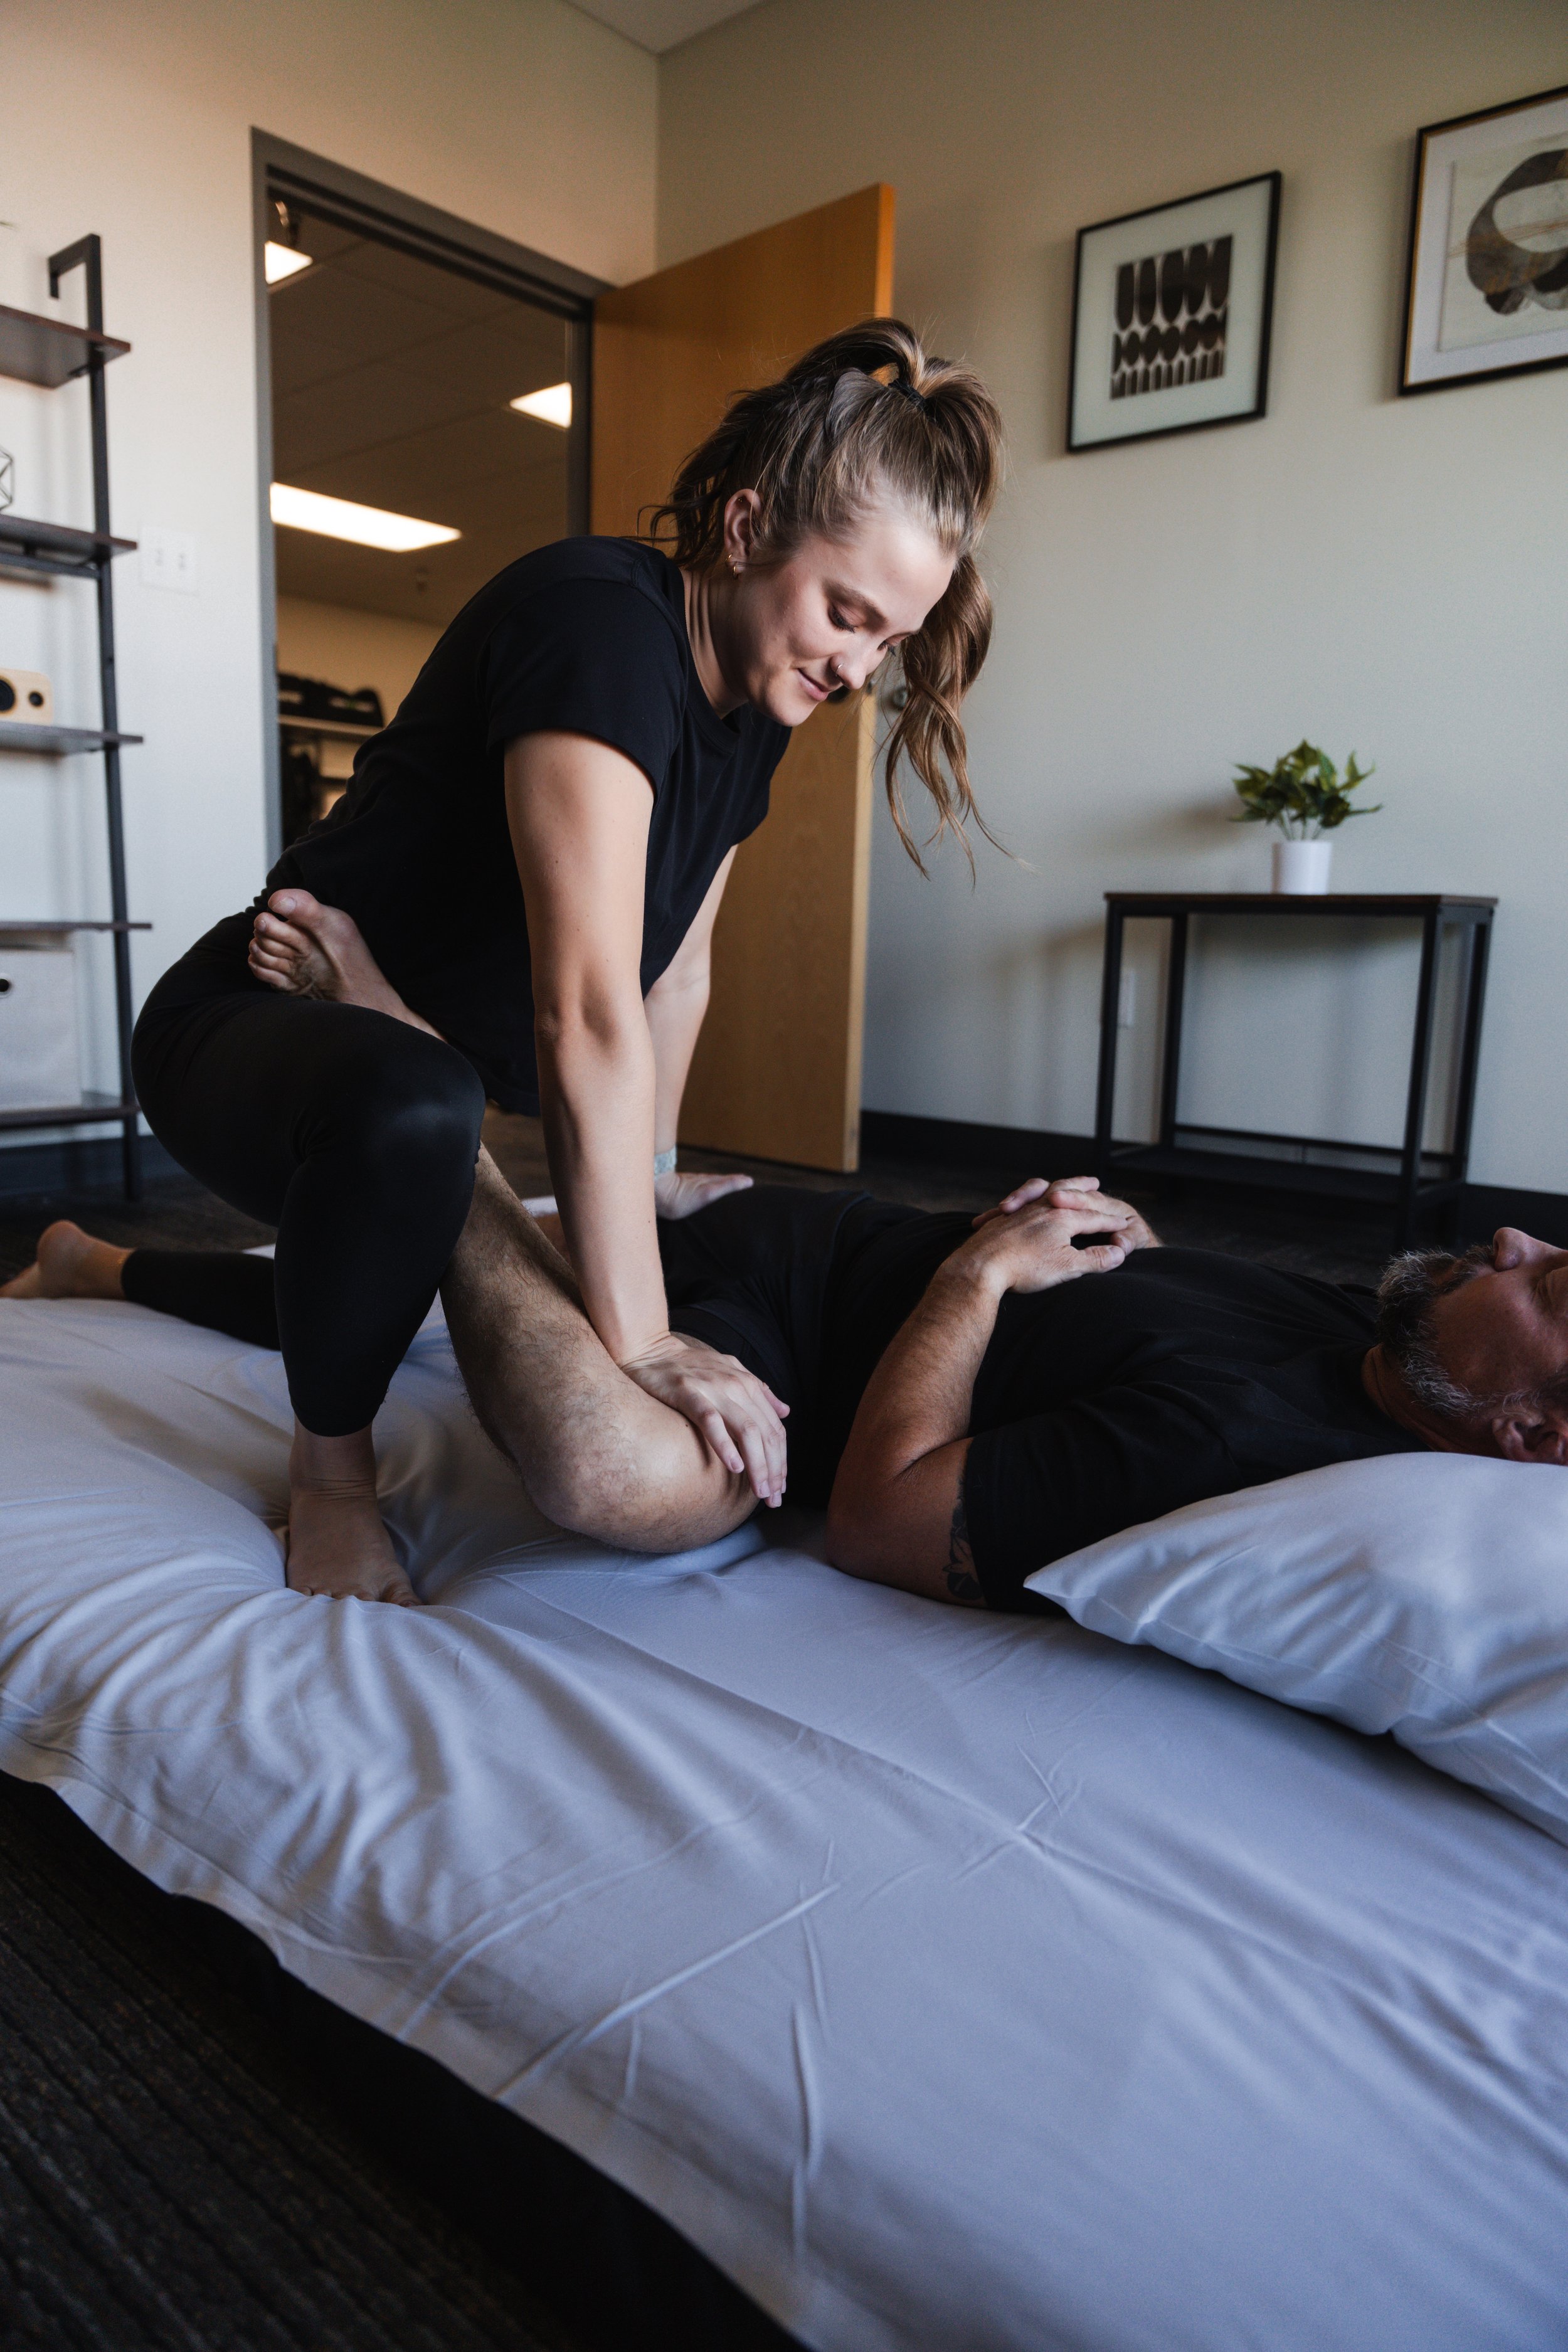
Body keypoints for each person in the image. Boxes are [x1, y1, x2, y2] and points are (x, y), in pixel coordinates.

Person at [127, 320, 1005, 1606]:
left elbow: (674, 974)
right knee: (422, 1118)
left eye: (889, 642)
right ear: (744, 528)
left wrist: (651, 1176)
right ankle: (330, 1482)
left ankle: (89, 1264)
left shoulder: (756, 707)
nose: (858, 668)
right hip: (254, 1029)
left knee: (400, 1255)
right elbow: (585, 1009)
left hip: (404, 1088)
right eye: (846, 615)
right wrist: (641, 1343)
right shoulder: (599, 626)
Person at [11, 1160, 1565, 1611]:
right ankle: (554, 1204)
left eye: (1546, 1286)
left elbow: (882, 1527)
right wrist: (1101, 1235)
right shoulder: (1380, 1333)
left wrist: (978, 1278)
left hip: (803, 1312)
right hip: (813, 1246)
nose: (1510, 1238)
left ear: (1528, 1434)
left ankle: (453, 1166)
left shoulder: (1237, 1447)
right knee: (414, 1315)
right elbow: (1165, 1294)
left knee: (625, 1481)